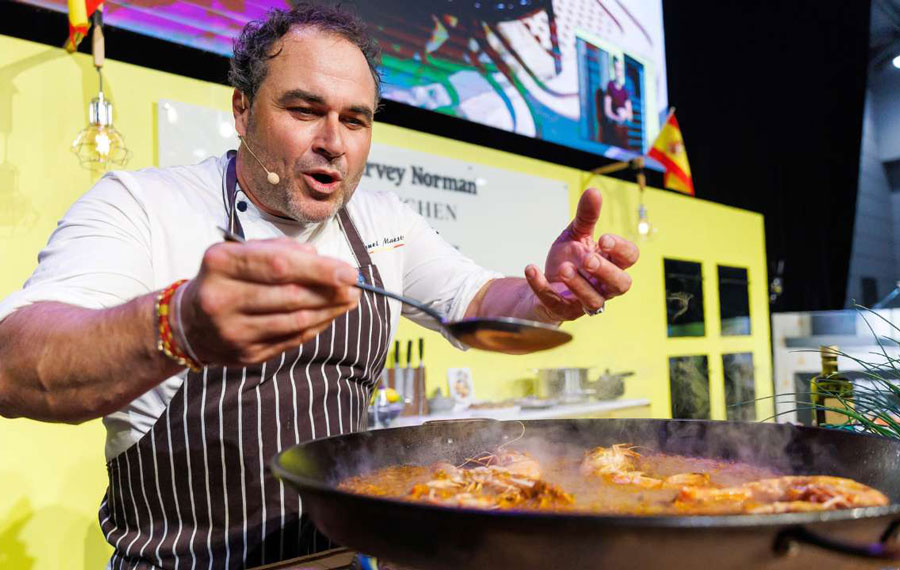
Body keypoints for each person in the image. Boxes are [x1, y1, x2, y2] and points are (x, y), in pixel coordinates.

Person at [0, 4, 638, 568]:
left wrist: (547, 294)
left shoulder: (383, 222)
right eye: (304, 110)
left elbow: (477, 303)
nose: (333, 142)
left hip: (343, 559)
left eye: (355, 120)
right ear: (242, 109)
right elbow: (15, 361)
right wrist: (178, 325)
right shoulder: (141, 206)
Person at [599, 55, 633, 149]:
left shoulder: (624, 91)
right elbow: (607, 111)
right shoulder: (610, 86)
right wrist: (617, 118)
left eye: (620, 70)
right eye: (616, 69)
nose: (618, 73)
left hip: (623, 132)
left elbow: (630, 114)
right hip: (613, 131)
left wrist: (625, 115)